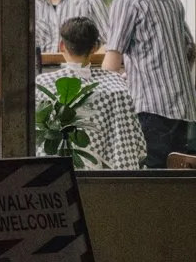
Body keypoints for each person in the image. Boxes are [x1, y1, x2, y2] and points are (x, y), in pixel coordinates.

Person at [94, 0, 196, 169]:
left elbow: (112, 61)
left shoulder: (127, 0)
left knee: (151, 179)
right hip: (182, 107)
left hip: (150, 110)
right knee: (174, 178)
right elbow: (190, 49)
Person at [36, 15, 146, 171]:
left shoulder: (42, 84)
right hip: (104, 174)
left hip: (55, 170)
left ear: (62, 46)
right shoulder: (116, 87)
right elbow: (134, 143)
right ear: (94, 47)